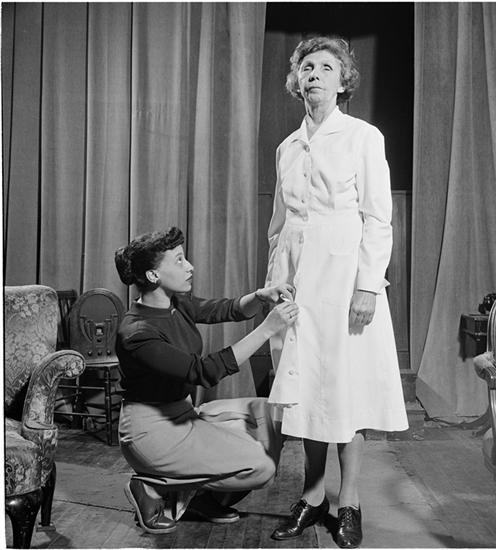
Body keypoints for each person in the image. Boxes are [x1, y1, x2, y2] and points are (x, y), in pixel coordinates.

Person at [264, 36, 409, 549]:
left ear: (343, 81)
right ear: (296, 80)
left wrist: (368, 286)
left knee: (347, 390)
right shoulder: (287, 147)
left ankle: (349, 501)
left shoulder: (363, 137)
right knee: (306, 389)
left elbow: (378, 218)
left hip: (346, 279)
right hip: (298, 282)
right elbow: (278, 225)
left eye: (327, 67)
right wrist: (274, 281)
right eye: (307, 66)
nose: (315, 75)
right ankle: (312, 497)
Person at [114, 226, 298, 534]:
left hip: (184, 414)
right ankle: (150, 486)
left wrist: (260, 297)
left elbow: (224, 309)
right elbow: (203, 372)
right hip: (152, 432)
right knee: (262, 468)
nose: (190, 267)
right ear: (153, 275)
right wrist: (267, 329)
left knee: (273, 412)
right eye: (179, 260)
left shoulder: (176, 303)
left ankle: (196, 499)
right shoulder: (136, 333)